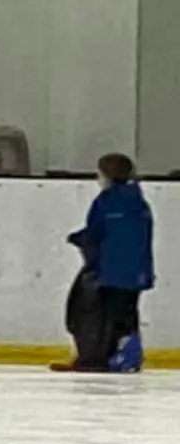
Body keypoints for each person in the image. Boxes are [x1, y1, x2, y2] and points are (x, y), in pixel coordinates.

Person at [72, 155, 154, 375]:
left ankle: (104, 356)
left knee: (106, 315)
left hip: (111, 272)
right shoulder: (138, 201)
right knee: (128, 312)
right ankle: (128, 355)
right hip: (137, 272)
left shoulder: (106, 201)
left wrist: (79, 239)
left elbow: (97, 232)